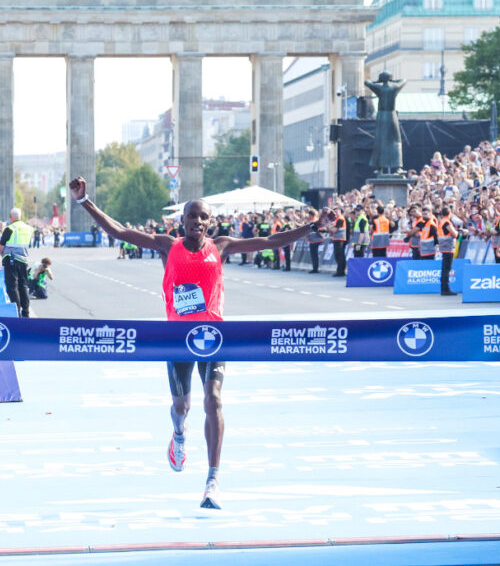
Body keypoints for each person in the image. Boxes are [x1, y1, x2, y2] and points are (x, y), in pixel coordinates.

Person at [69, 176, 334, 510]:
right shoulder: (168, 246)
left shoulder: (220, 246)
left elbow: (269, 240)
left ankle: (212, 480)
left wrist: (313, 227)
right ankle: (179, 434)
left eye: (204, 217)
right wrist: (83, 200)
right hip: (177, 339)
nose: (198, 222)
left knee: (214, 401)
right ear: (183, 221)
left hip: (213, 338)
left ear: (211, 223)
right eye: (192, 216)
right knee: (182, 407)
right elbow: (120, 233)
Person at [0, 207, 34, 318]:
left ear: (11, 217)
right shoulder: (29, 228)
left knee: (12, 286)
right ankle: (26, 311)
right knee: (23, 286)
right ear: (21, 217)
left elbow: (0, 247)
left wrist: (3, 255)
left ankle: (16, 311)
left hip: (11, 259)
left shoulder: (10, 228)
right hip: (23, 260)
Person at [433, 206, 458, 296]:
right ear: (449, 213)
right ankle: (445, 289)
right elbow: (454, 234)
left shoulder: (441, 221)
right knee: (446, 269)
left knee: (445, 268)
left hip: (444, 247)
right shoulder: (447, 222)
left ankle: (444, 288)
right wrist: (458, 232)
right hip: (448, 247)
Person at [331, 211, 348, 277]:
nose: (335, 213)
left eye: (336, 212)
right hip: (337, 239)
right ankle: (340, 270)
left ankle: (340, 271)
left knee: (339, 255)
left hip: (340, 239)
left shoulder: (340, 219)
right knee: (339, 255)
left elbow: (335, 230)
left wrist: (330, 227)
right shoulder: (337, 219)